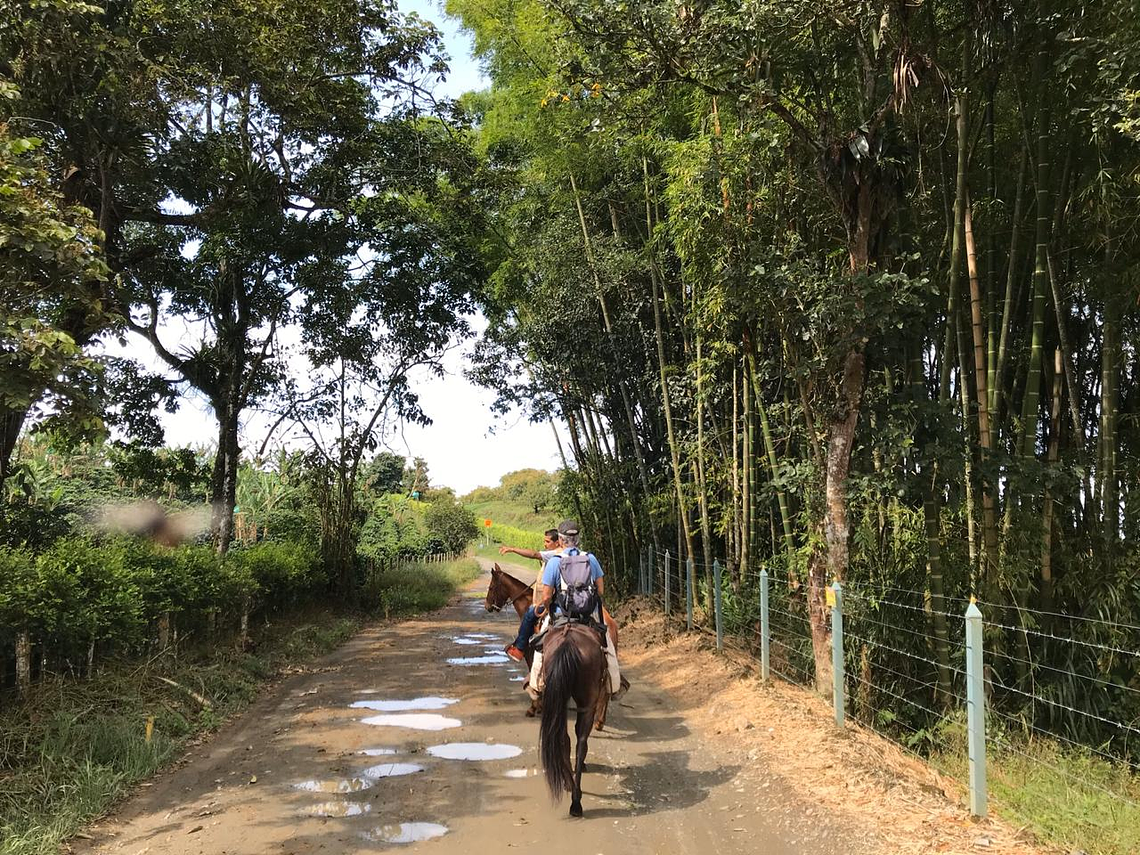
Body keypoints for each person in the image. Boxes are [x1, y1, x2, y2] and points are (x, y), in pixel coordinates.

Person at [527, 519, 624, 699]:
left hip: (560, 615)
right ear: (578, 539)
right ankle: (614, 685)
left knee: (541, 643)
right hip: (588, 615)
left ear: (561, 540)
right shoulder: (591, 558)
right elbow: (601, 590)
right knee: (608, 645)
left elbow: (547, 596)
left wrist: (545, 607)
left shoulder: (555, 562)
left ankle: (536, 684)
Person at [498, 528, 561, 661]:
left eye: (548, 541)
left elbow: (533, 554)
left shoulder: (554, 554)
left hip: (556, 600)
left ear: (558, 542)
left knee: (529, 615)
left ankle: (519, 649)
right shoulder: (577, 555)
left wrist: (512, 549)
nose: (545, 544)